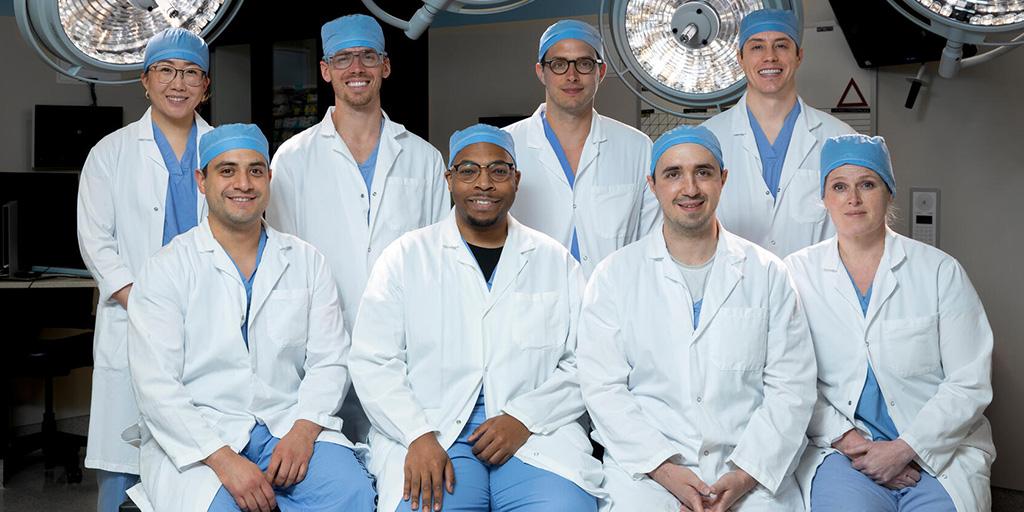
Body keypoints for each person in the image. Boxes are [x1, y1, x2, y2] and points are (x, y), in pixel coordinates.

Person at [349, 124, 604, 512]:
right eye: (468, 170)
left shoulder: (555, 262)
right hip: (434, 432)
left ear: (516, 180)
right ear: (449, 179)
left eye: (498, 171)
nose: (483, 184)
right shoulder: (405, 259)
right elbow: (373, 361)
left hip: (534, 436)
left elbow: (585, 361)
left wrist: (523, 418)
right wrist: (417, 435)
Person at [123, 124, 376, 511]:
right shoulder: (166, 269)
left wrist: (304, 430)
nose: (243, 183)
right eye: (226, 170)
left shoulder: (307, 261)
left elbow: (330, 359)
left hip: (287, 422)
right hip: (201, 435)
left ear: (269, 178)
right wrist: (222, 459)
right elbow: (156, 387)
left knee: (352, 495)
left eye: (255, 170)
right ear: (202, 180)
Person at [578, 126, 816, 511]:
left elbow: (793, 388)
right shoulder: (614, 276)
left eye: (703, 172)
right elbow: (603, 389)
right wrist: (665, 470)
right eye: (673, 174)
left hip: (749, 469)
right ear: (652, 185)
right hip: (648, 473)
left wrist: (742, 476)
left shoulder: (767, 274)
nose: (690, 188)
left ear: (723, 180)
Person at [784, 134, 995, 512]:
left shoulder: (939, 271)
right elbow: (789, 378)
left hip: (937, 451)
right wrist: (851, 441)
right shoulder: (796, 274)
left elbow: (969, 381)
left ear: (889, 192)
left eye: (867, 184)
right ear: (824, 198)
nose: (853, 199)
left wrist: (904, 449)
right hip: (844, 452)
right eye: (839, 187)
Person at [267, 14, 448, 443]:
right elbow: (281, 262)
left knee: (398, 465)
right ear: (326, 70)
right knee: (327, 467)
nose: (357, 68)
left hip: (403, 345)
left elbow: (441, 260)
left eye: (368, 56)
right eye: (343, 58)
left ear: (385, 66)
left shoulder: (422, 158)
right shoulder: (292, 160)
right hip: (319, 343)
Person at [77, 27, 215, 511]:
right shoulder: (110, 153)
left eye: (191, 73)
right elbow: (96, 240)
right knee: (124, 462)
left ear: (206, 86)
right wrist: (143, 303)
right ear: (145, 80)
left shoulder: (225, 152)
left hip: (208, 323)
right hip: (132, 319)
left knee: (203, 458)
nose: (178, 83)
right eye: (165, 71)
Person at [503, 19, 659, 278]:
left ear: (600, 72)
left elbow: (653, 243)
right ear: (541, 72)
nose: (572, 76)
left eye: (584, 64)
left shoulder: (637, 147)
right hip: (530, 305)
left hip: (615, 306)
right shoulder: (505, 146)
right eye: (559, 64)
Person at [702, 9, 854, 258]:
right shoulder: (708, 138)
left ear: (799, 56)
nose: (770, 57)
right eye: (757, 47)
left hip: (812, 292)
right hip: (733, 290)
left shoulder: (837, 137)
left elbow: (859, 231)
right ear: (740, 58)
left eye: (781, 45)